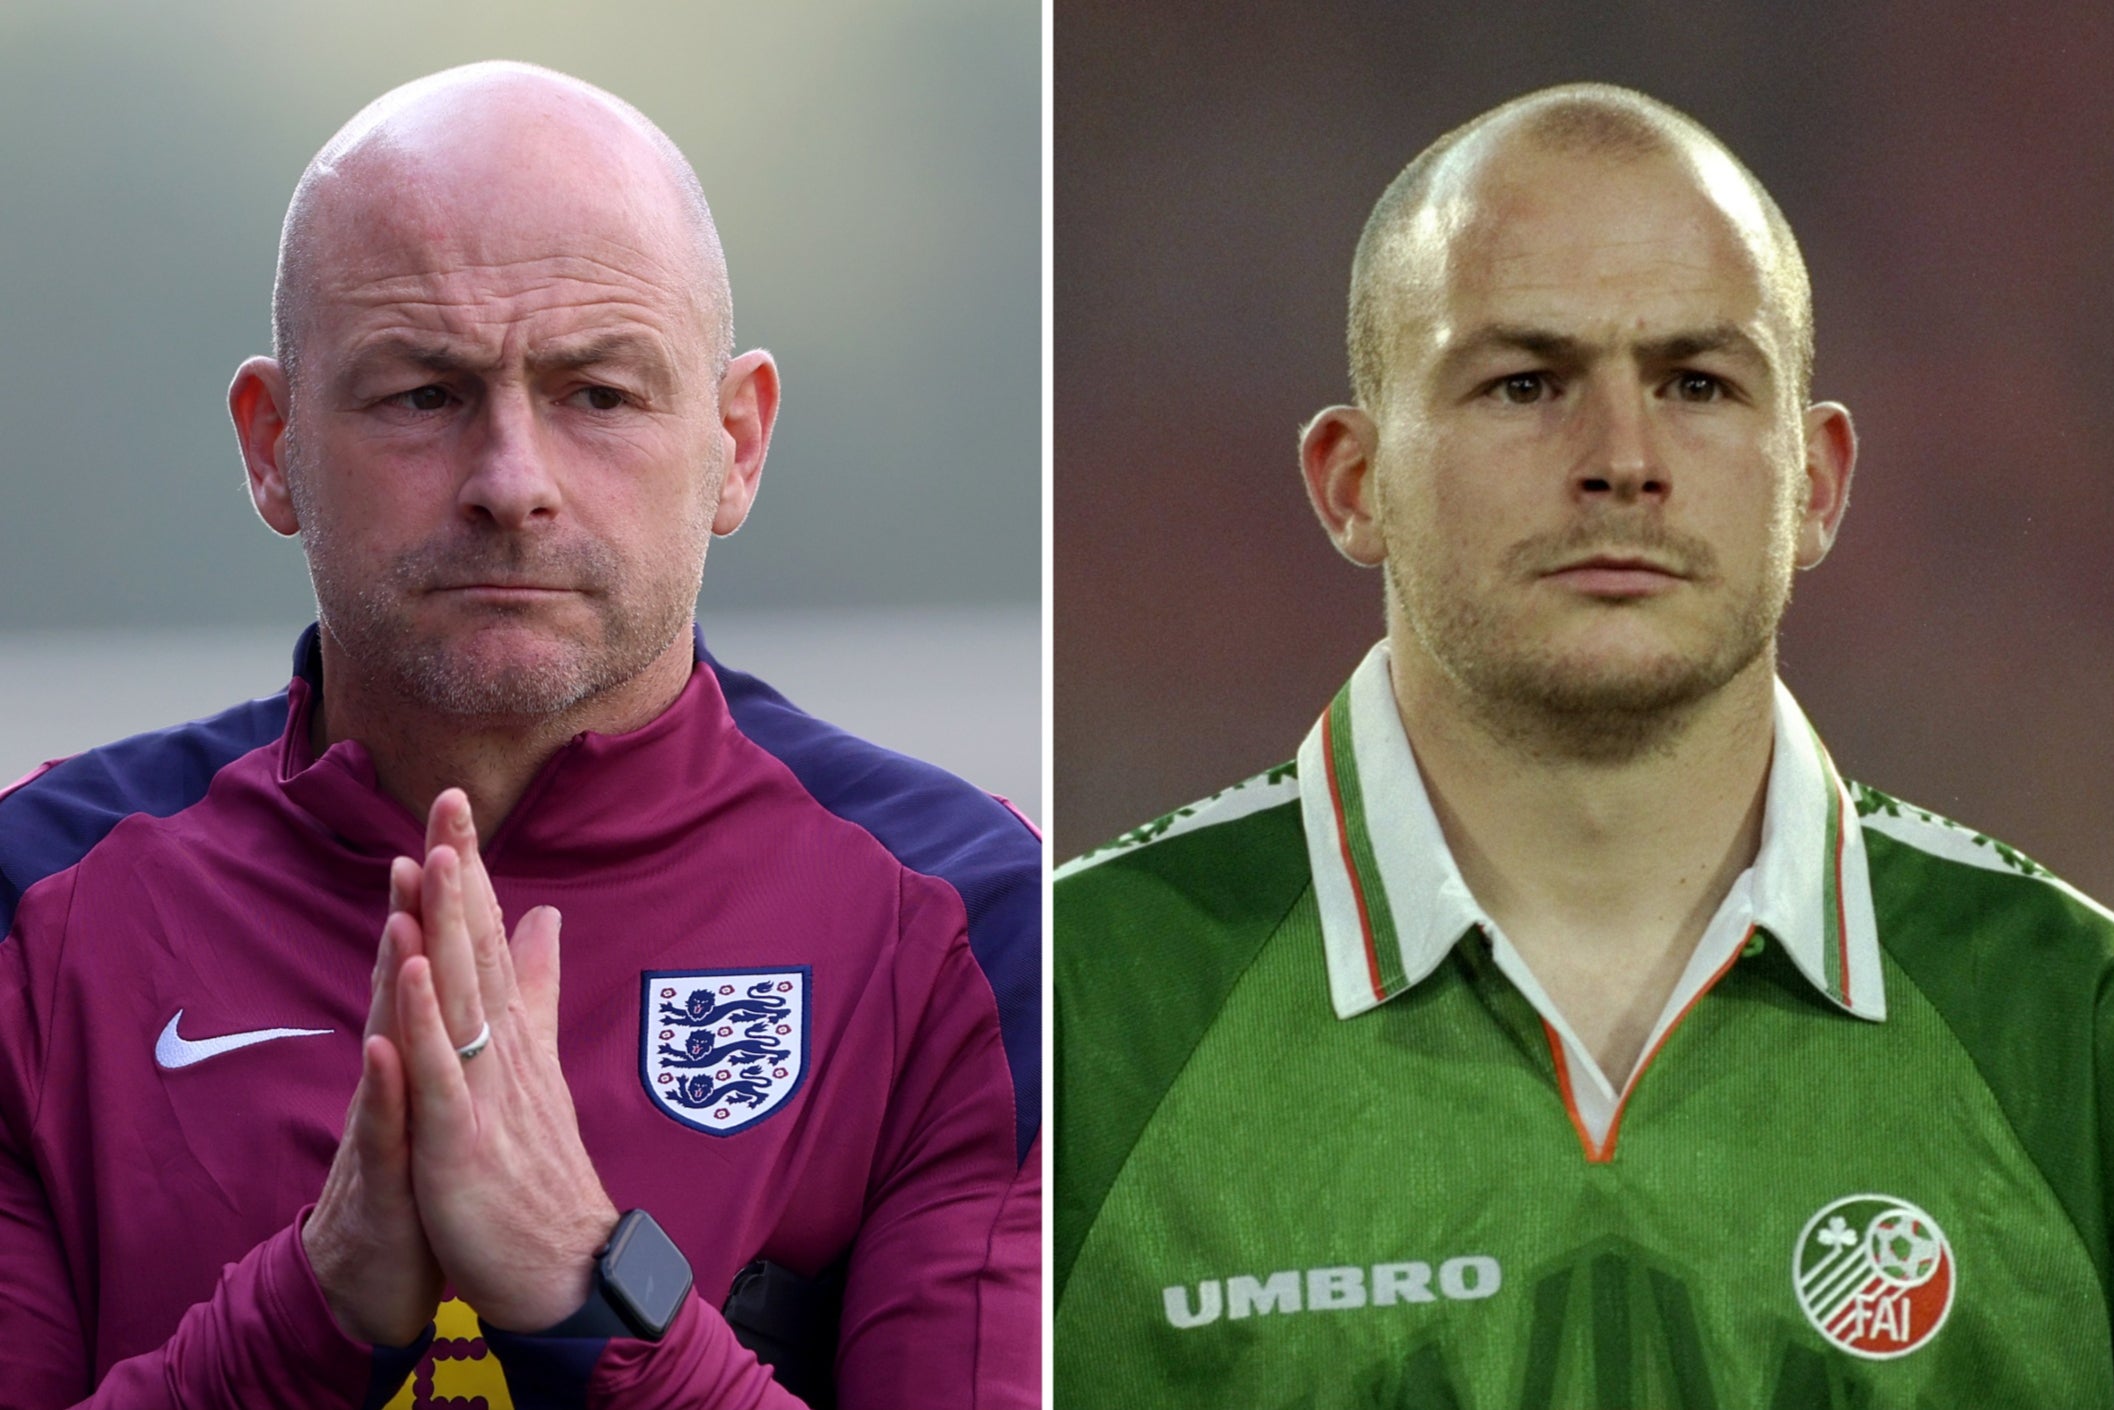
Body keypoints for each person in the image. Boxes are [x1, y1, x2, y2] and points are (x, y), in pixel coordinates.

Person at [1054, 82, 2114, 1407]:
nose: (1621, 456)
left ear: (1816, 481)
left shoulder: (2069, 1021)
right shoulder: (1069, 1013)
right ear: (1350, 481)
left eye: (1696, 381)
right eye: (1522, 382)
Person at [0, 62, 1039, 1410]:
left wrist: (586, 1282)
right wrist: (303, 1314)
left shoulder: (970, 923)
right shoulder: (36, 906)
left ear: (734, 443)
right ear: (270, 446)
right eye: (423, 395)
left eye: (596, 393)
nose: (512, 482)